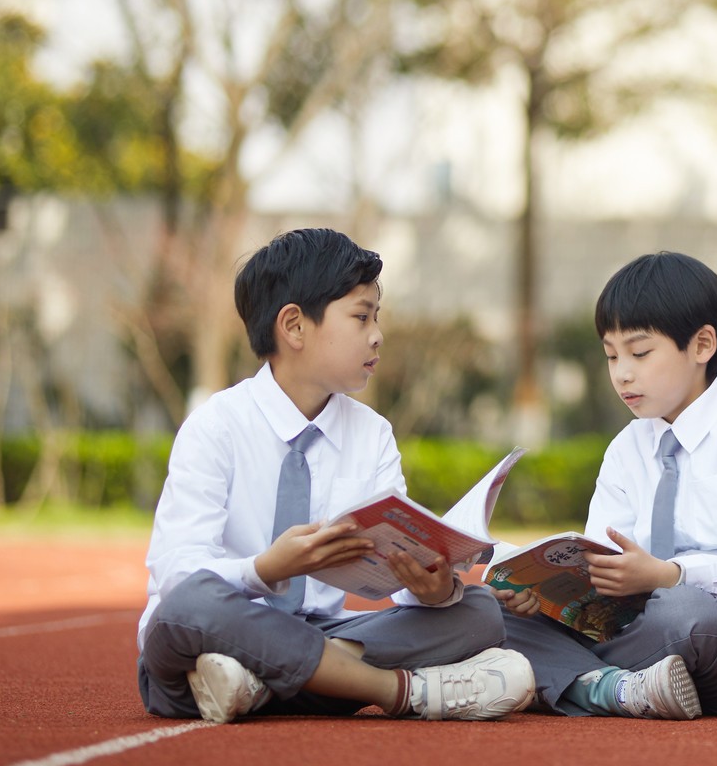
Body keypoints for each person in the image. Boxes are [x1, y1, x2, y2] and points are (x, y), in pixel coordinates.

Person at [136, 228, 534, 724]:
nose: (377, 334)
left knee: (477, 612)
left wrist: (431, 588)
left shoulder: (372, 434)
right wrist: (266, 569)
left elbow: (393, 572)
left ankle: (256, 684)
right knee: (187, 603)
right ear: (295, 327)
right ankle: (397, 691)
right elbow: (178, 572)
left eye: (377, 317)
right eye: (361, 316)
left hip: (318, 633)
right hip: (212, 635)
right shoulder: (215, 426)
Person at [497, 251, 717, 718]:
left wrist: (669, 576)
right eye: (611, 355)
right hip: (642, 629)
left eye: (639, 352)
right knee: (493, 615)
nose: (622, 373)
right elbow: (598, 568)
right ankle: (614, 689)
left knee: (680, 611)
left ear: (702, 345)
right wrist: (545, 596)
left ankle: (575, 680)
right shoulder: (625, 450)